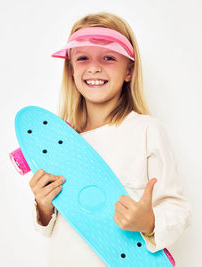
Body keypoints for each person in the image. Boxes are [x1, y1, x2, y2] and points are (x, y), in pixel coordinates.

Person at [28, 12, 191, 266]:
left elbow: (178, 209)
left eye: (108, 57)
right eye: (82, 58)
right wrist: (43, 206)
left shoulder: (147, 131)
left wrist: (149, 222)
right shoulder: (61, 140)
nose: (94, 67)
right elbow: (55, 226)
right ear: (71, 70)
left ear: (129, 70)